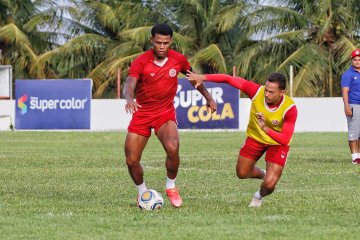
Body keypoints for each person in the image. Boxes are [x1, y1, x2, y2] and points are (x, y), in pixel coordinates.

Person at [123, 23, 217, 208]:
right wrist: (129, 98)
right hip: (142, 113)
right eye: (158, 42)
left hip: (164, 112)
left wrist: (208, 98)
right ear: (152, 41)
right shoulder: (141, 61)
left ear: (171, 41)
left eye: (166, 43)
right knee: (131, 160)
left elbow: (193, 78)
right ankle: (143, 193)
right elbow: (129, 84)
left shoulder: (178, 59)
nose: (162, 46)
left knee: (173, 147)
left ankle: (171, 186)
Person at [186, 70, 297, 207]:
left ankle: (258, 196)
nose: (266, 94)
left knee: (269, 184)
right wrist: (202, 77)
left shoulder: (289, 108)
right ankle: (263, 173)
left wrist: (266, 129)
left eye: (271, 92)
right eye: (266, 90)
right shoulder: (256, 91)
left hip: (277, 144)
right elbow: (229, 79)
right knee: (242, 173)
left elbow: (285, 139)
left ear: (282, 92)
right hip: (255, 138)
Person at [341, 49, 360, 165]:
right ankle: (354, 157)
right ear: (351, 61)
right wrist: (347, 107)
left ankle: (359, 156)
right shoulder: (348, 75)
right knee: (354, 132)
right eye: (355, 60)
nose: (357, 62)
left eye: (359, 60)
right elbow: (345, 92)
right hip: (354, 105)